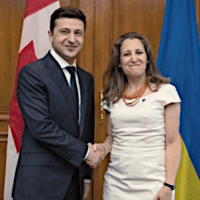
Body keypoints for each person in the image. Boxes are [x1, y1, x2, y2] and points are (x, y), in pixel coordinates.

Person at [12, 6, 103, 200]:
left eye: (78, 33)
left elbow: (86, 130)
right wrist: (86, 152)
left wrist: (86, 176)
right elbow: (41, 127)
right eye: (64, 32)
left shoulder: (86, 79)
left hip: (74, 182)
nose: (72, 39)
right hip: (39, 184)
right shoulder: (32, 73)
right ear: (50, 35)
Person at [94, 32, 181, 200]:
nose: (134, 58)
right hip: (116, 186)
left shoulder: (166, 92)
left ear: (147, 58)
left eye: (139, 52)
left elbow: (172, 142)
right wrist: (100, 150)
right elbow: (112, 138)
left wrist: (169, 185)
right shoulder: (111, 96)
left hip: (155, 186)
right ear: (119, 63)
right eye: (127, 54)